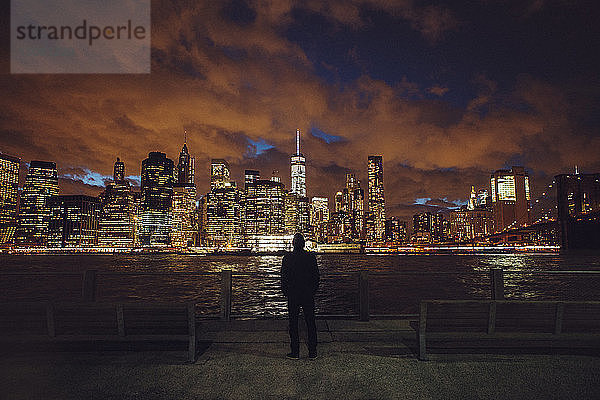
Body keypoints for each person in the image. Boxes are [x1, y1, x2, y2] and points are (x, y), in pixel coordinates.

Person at [281, 233, 320, 360]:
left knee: (293, 323)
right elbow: (316, 277)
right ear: (304, 244)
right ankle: (313, 352)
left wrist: (286, 292)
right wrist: (312, 291)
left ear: (293, 243)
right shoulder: (311, 257)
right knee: (310, 323)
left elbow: (283, 278)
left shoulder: (287, 258)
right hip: (308, 294)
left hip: (293, 295)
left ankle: (295, 352)